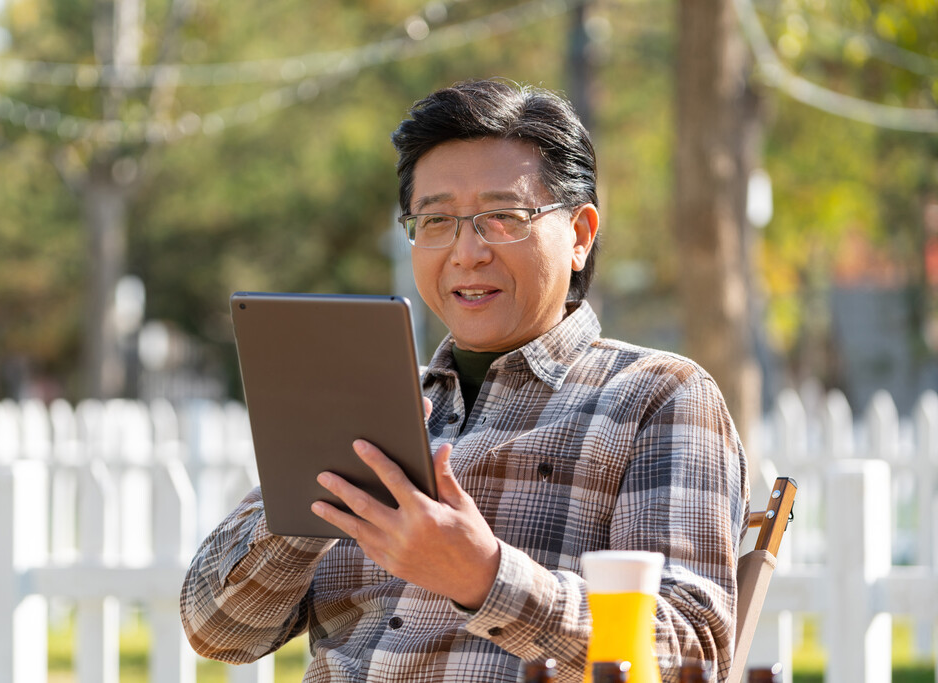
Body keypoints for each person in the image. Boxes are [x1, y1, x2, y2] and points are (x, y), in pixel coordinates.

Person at [180, 78, 749, 683]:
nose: (467, 251)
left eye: (503, 217)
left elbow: (692, 654)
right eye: (436, 220)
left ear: (580, 236)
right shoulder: (372, 403)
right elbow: (217, 632)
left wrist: (485, 575)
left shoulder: (658, 395)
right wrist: (315, 494)